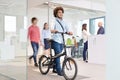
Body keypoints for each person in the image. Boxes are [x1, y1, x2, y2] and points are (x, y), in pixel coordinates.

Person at [51, 7, 73, 76]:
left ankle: (54, 68)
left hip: (62, 41)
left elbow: (67, 29)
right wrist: (53, 30)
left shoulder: (64, 22)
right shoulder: (54, 21)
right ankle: (59, 71)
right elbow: (51, 29)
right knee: (58, 55)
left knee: (58, 55)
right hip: (55, 40)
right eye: (59, 12)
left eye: (61, 12)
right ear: (56, 13)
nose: (61, 13)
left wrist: (69, 32)